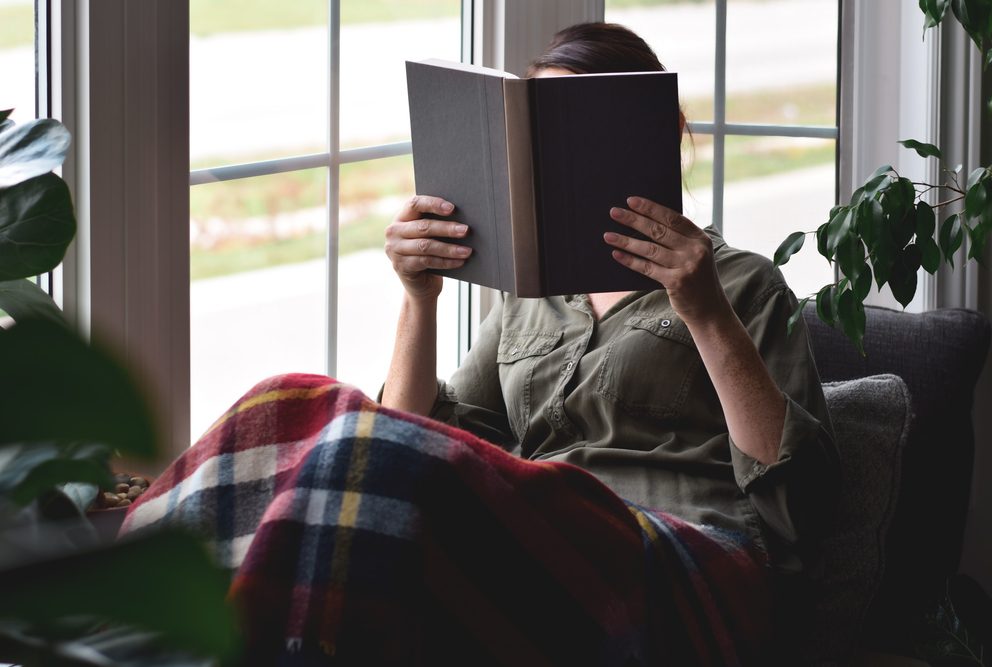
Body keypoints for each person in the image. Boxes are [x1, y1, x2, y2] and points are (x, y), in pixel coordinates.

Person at [123, 22, 839, 667]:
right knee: (290, 400)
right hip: (540, 554)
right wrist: (419, 295)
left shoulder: (737, 280)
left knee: (365, 451)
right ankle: (130, 605)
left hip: (678, 562)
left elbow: (795, 496)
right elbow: (408, 435)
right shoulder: (532, 299)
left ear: (655, 133)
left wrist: (703, 309)